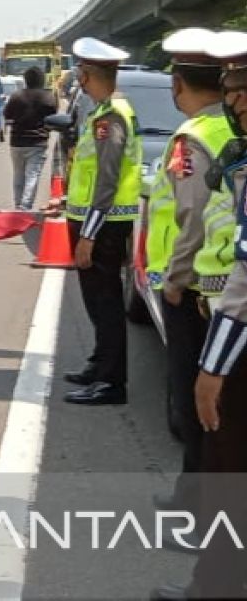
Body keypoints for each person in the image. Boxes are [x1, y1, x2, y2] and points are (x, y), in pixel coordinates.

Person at [153, 30, 247, 601]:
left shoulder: (195, 136)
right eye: (232, 86)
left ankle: (212, 588)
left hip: (224, 316)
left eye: (242, 87)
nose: (234, 101)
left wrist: (212, 367)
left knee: (225, 464)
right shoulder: (230, 142)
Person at [144, 28, 233, 524]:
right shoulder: (231, 130)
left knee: (196, 410)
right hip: (225, 290)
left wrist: (175, 280)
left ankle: (199, 514)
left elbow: (192, 216)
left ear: (178, 84)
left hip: (199, 290)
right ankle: (190, 501)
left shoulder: (193, 137)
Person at [58, 37, 142, 405]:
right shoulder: (103, 110)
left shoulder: (111, 117)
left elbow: (107, 180)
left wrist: (88, 236)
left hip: (103, 225)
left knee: (105, 304)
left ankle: (111, 383)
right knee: (95, 301)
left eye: (80, 73)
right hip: (95, 219)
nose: (78, 79)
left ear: (87, 74)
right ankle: (99, 365)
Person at [3, 66, 58, 210]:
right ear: (42, 80)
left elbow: (7, 115)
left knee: (18, 175)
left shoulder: (16, 96)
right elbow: (53, 119)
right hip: (38, 142)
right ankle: (25, 206)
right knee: (32, 175)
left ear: (26, 80)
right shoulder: (49, 97)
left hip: (17, 142)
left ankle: (18, 204)